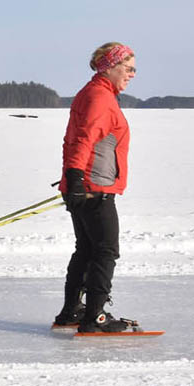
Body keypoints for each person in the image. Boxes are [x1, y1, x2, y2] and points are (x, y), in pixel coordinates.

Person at [54, 41, 137, 333]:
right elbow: (83, 139)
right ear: (110, 67)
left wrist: (72, 177)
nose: (132, 74)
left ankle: (72, 310)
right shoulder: (100, 97)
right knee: (105, 251)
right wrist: (75, 176)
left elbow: (75, 139)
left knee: (86, 249)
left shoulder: (93, 93)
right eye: (128, 68)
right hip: (94, 188)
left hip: (85, 184)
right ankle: (95, 316)